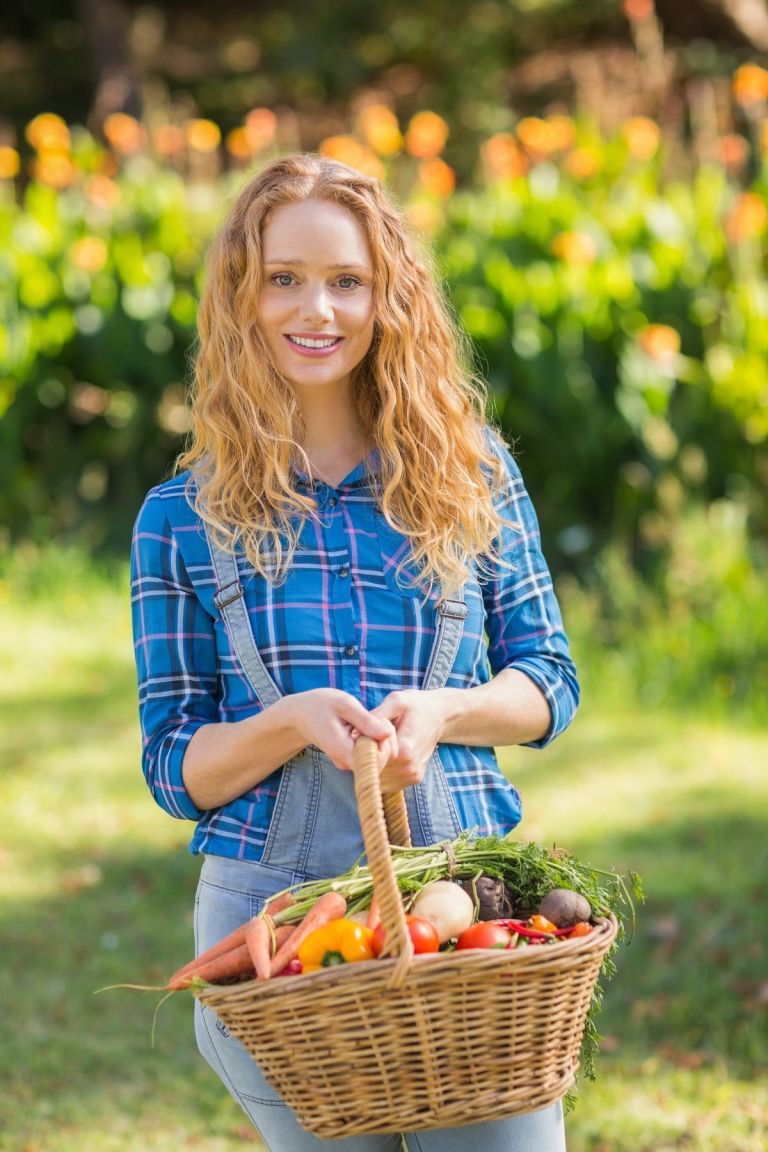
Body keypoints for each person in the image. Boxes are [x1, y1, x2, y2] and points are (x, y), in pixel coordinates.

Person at [130, 152, 579, 1152]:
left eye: (346, 280)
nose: (315, 309)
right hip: (272, 928)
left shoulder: (473, 474)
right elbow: (174, 765)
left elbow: (549, 681)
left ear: (389, 297)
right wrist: (288, 723)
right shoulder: (179, 520)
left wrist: (448, 710)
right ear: (243, 296)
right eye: (283, 278)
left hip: (461, 903)